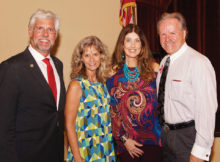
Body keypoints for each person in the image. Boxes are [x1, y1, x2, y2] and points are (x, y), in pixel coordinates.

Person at [0, 9, 66, 162]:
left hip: (54, 154)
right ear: (30, 32)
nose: (45, 34)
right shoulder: (12, 68)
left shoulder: (58, 65)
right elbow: (3, 126)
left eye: (50, 29)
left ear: (55, 35)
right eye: (39, 28)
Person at [156, 12, 218, 162]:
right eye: (163, 34)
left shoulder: (198, 62)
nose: (167, 39)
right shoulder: (164, 61)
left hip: (188, 138)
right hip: (167, 137)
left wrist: (200, 150)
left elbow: (206, 110)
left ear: (184, 33)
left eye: (172, 33)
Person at [106, 24, 162, 162]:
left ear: (142, 46)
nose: (133, 45)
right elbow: (112, 113)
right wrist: (124, 140)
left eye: (137, 40)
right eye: (128, 40)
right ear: (122, 45)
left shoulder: (154, 74)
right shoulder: (112, 78)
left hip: (154, 142)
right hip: (126, 146)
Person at [65, 36, 116, 162]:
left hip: (105, 148)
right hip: (84, 151)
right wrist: (77, 157)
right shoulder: (76, 85)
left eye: (95, 54)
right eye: (87, 55)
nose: (92, 59)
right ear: (81, 58)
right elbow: (69, 124)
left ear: (101, 56)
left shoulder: (103, 83)